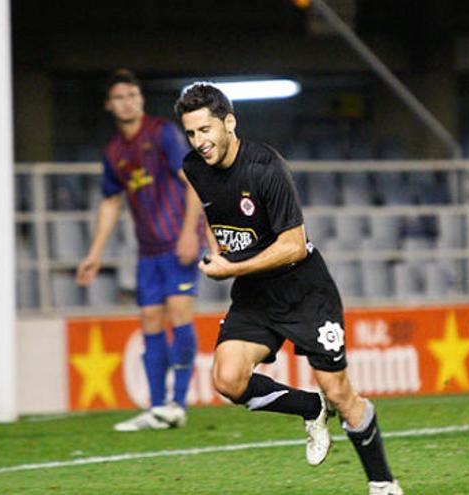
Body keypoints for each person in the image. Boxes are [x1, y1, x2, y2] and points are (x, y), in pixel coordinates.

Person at [175, 82, 403, 495]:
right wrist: (217, 253)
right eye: (191, 133)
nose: (199, 142)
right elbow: (213, 214)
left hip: (304, 290)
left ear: (229, 122)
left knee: (340, 390)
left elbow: (293, 245)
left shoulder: (265, 168)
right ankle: (310, 408)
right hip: (255, 294)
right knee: (227, 379)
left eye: (206, 130)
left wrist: (231, 268)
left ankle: (383, 483)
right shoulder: (194, 167)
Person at [77, 69, 207, 432]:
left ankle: (178, 404)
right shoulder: (115, 151)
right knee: (150, 319)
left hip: (176, 241)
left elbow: (193, 179)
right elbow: (109, 203)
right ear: (109, 105)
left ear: (141, 100)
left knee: (179, 312)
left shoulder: (162, 133)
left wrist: (189, 233)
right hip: (147, 250)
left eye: (132, 95)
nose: (127, 102)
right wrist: (94, 253)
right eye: (120, 97)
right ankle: (155, 407)